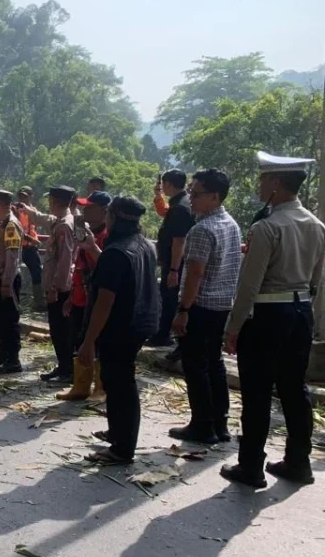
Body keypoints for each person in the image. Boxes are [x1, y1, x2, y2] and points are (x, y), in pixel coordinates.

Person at [220, 152, 325, 488]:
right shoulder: (316, 225)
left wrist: (233, 328)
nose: (260, 185)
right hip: (300, 311)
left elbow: (249, 284)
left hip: (267, 314)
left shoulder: (266, 227)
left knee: (258, 391)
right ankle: (298, 461)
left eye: (264, 179)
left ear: (277, 185)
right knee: (295, 388)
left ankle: (251, 465)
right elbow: (316, 279)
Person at [78, 196, 159, 463]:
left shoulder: (116, 251)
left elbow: (105, 301)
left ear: (113, 218)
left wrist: (89, 341)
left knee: (121, 382)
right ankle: (117, 432)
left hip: (120, 326)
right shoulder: (143, 245)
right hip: (139, 322)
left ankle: (123, 448)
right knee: (114, 380)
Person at [168, 169, 242, 444]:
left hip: (199, 306)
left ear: (214, 196)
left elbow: (195, 274)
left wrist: (183, 310)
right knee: (214, 363)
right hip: (222, 305)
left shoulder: (201, 229)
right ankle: (220, 422)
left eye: (196, 194)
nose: (191, 198)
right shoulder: (230, 223)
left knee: (196, 366)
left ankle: (202, 424)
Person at [57, 191, 111, 401]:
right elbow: (79, 266)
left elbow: (108, 267)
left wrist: (92, 246)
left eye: (90, 207)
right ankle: (80, 386)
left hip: (97, 299)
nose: (85, 210)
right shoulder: (86, 231)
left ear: (104, 211)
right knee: (78, 340)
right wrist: (72, 295)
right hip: (81, 295)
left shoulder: (107, 236)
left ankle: (100, 388)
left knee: (97, 343)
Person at [28, 186, 77, 383]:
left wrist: (55, 287)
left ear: (55, 202)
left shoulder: (65, 225)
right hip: (59, 284)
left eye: (51, 201)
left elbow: (65, 260)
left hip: (60, 288)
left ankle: (67, 370)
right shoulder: (62, 221)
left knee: (61, 331)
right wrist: (30, 212)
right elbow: (46, 219)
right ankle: (64, 366)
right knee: (59, 330)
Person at [150, 169, 195, 361]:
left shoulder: (180, 207)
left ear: (169, 185)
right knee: (169, 297)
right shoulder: (182, 203)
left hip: (176, 262)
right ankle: (164, 334)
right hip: (175, 261)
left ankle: (164, 336)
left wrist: (174, 269)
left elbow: (179, 240)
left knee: (170, 298)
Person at [0, 190, 24, 374]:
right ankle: (3, 354)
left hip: (6, 279)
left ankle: (13, 359)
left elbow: (12, 256)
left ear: (0, 204)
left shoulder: (11, 225)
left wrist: (7, 283)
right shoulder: (0, 224)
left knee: (9, 320)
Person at [14, 187, 45, 309]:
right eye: (21, 196)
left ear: (31, 196)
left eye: (25, 196)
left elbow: (34, 226)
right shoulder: (15, 210)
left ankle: (39, 302)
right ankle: (15, 302)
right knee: (15, 273)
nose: (22, 198)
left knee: (37, 273)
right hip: (18, 246)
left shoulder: (33, 211)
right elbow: (16, 228)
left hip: (31, 247)